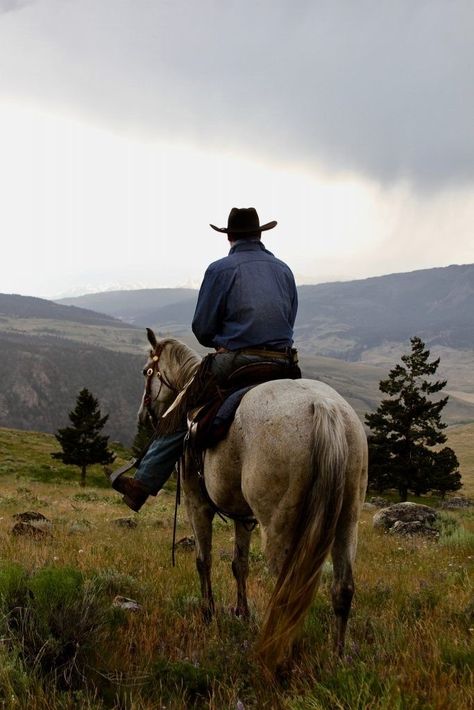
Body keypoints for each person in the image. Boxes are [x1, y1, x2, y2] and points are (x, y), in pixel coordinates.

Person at [109, 207, 299, 511]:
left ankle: (142, 483)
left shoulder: (221, 269)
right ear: (260, 233)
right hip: (282, 363)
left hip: (236, 362)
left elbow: (203, 328)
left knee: (181, 409)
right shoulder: (284, 269)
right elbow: (289, 317)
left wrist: (222, 342)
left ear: (230, 237)